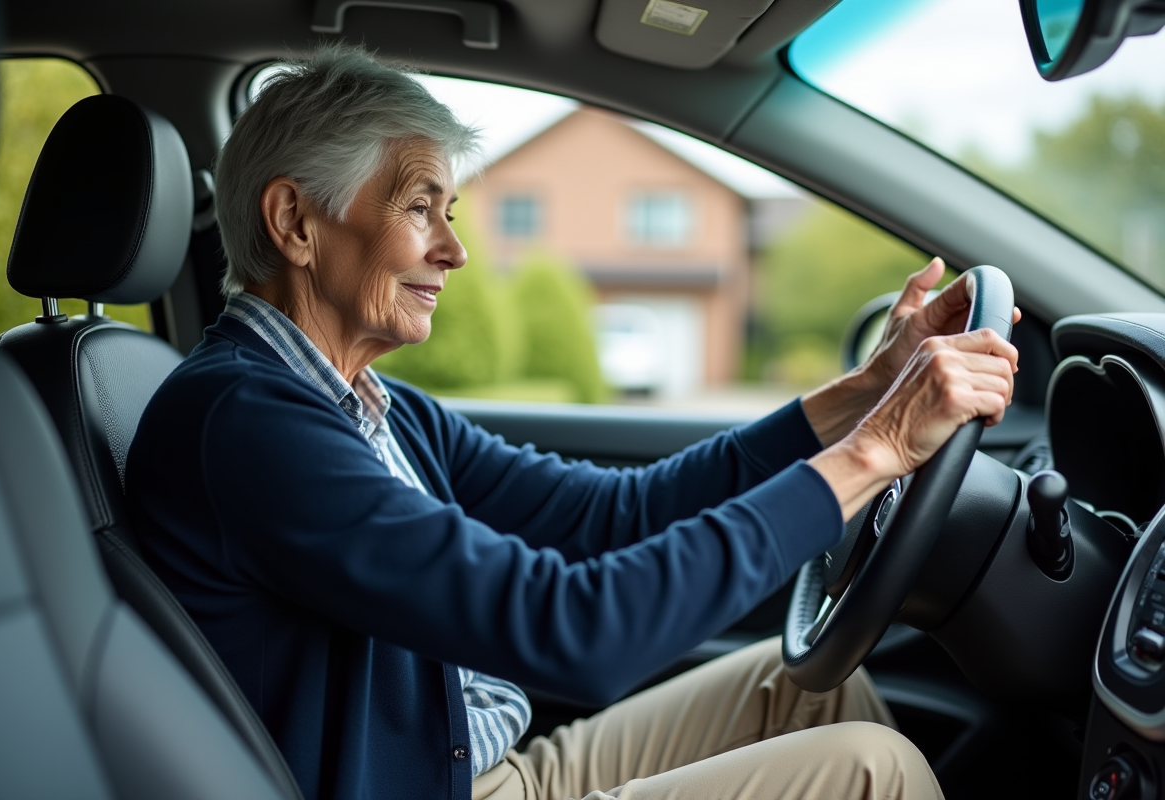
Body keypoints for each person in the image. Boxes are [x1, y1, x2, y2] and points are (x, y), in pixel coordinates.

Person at [125, 45, 1019, 800]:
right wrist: (881, 451)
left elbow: (613, 515)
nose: (454, 248)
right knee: (873, 769)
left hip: (482, 761)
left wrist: (860, 397)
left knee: (815, 692)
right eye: (416, 206)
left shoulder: (370, 411)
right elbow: (572, 630)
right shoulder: (249, 424)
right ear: (295, 222)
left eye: (450, 212)